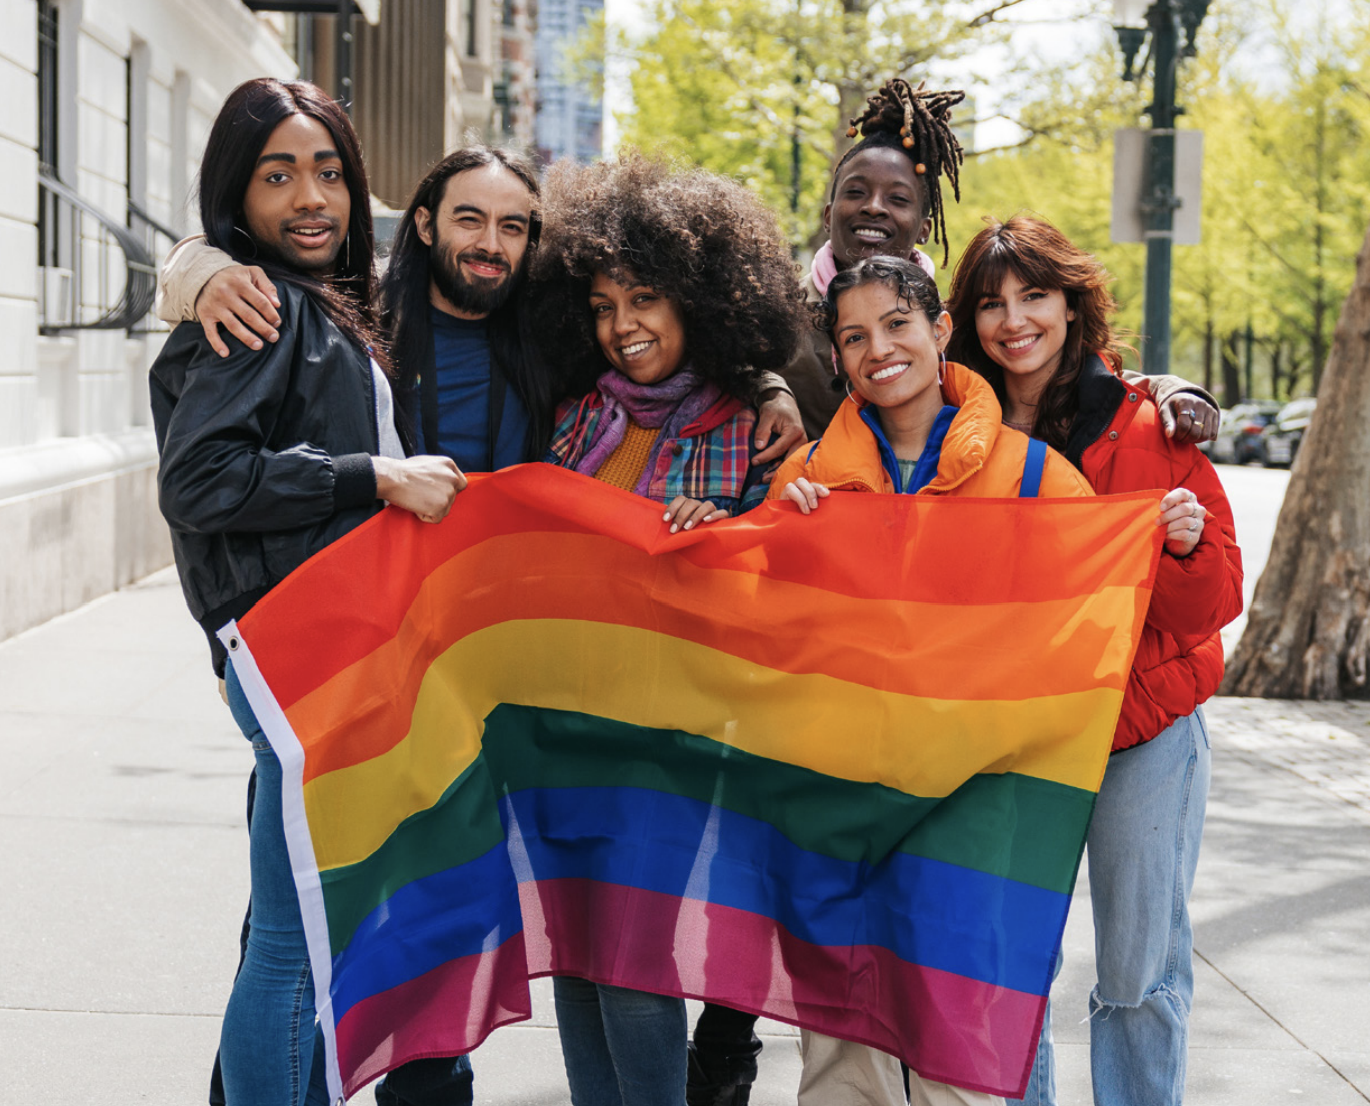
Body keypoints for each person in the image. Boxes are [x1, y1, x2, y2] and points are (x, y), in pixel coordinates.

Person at [156, 142, 804, 1106]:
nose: (491, 244)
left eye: (514, 226)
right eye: (469, 218)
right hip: (349, 666)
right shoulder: (368, 316)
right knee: (294, 928)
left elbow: (691, 372)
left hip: (507, 699)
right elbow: (242, 307)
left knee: (459, 927)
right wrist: (195, 268)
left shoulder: (547, 353)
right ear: (423, 223)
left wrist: (766, 388)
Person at [149, 78, 466, 1106]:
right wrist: (369, 475)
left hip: (322, 649)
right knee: (294, 948)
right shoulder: (261, 303)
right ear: (236, 196)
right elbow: (199, 481)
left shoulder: (312, 300)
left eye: (327, 171)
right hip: (297, 650)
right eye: (276, 175)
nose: (310, 197)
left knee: (295, 931)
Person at [755, 254, 1091, 1106]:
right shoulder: (805, 483)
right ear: (835, 359)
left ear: (941, 331)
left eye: (899, 324)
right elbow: (758, 638)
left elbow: (1088, 616)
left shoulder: (1032, 476)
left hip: (970, 805)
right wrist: (775, 543)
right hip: (832, 799)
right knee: (839, 1045)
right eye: (854, 337)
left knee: (957, 1042)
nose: (880, 349)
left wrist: (1175, 534)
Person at [943, 215, 1243, 1106]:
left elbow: (1213, 603)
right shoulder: (958, 436)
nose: (1014, 320)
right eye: (992, 303)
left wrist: (1183, 548)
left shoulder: (1153, 425)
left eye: (1034, 295)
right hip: (1012, 742)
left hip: (1139, 735)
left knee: (1139, 974)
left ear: (1072, 306)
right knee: (1009, 973)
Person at [530, 152, 808, 1105]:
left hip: (677, 734)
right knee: (572, 944)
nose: (623, 327)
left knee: (636, 951)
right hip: (563, 721)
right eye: (604, 307)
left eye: (644, 298)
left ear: (701, 298)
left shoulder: (755, 428)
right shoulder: (573, 423)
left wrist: (722, 537)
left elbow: (787, 577)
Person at [779, 77, 1220, 448]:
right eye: (856, 192)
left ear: (925, 227)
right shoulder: (777, 312)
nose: (874, 208)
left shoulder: (950, 324)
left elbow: (1058, 376)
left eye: (897, 199)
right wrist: (770, 391)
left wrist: (1165, 387)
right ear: (827, 212)